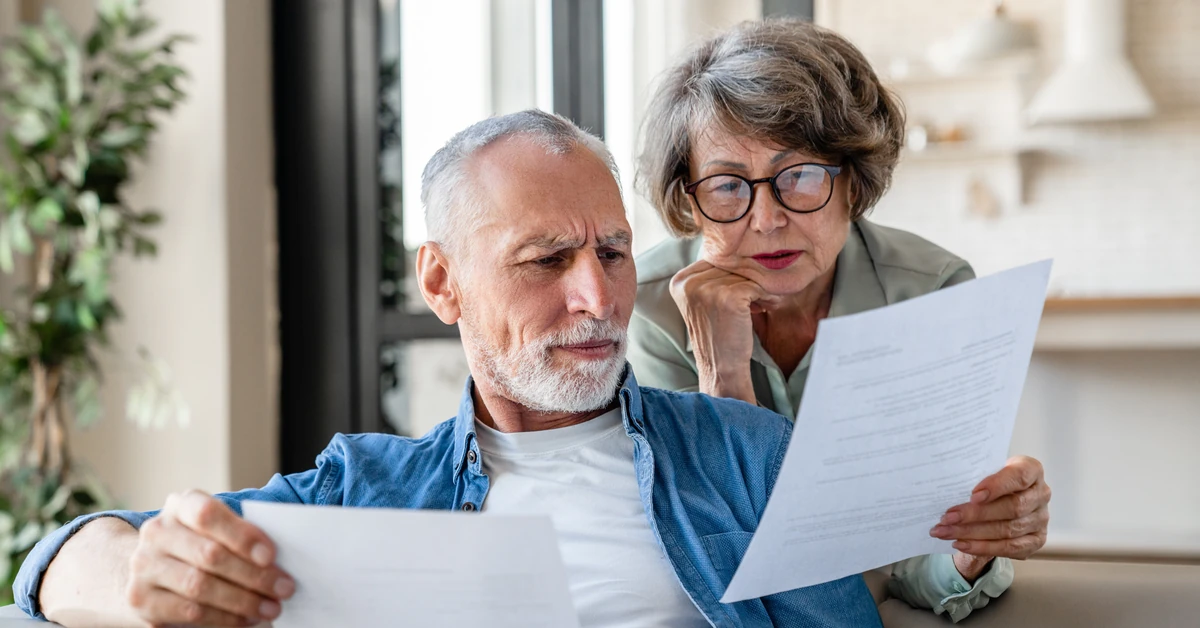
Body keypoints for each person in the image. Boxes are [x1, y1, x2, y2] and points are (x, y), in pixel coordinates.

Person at [17, 110, 884, 627]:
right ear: (442, 282)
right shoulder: (366, 486)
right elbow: (55, 559)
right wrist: (142, 586)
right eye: (546, 260)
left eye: (614, 253)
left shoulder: (748, 455)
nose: (598, 297)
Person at [629, 18, 1051, 623]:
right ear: (689, 201)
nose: (766, 219)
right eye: (726, 185)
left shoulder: (931, 295)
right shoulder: (649, 308)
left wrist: (972, 549)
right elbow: (707, 556)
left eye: (798, 176)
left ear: (853, 181)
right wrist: (723, 378)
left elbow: (916, 553)